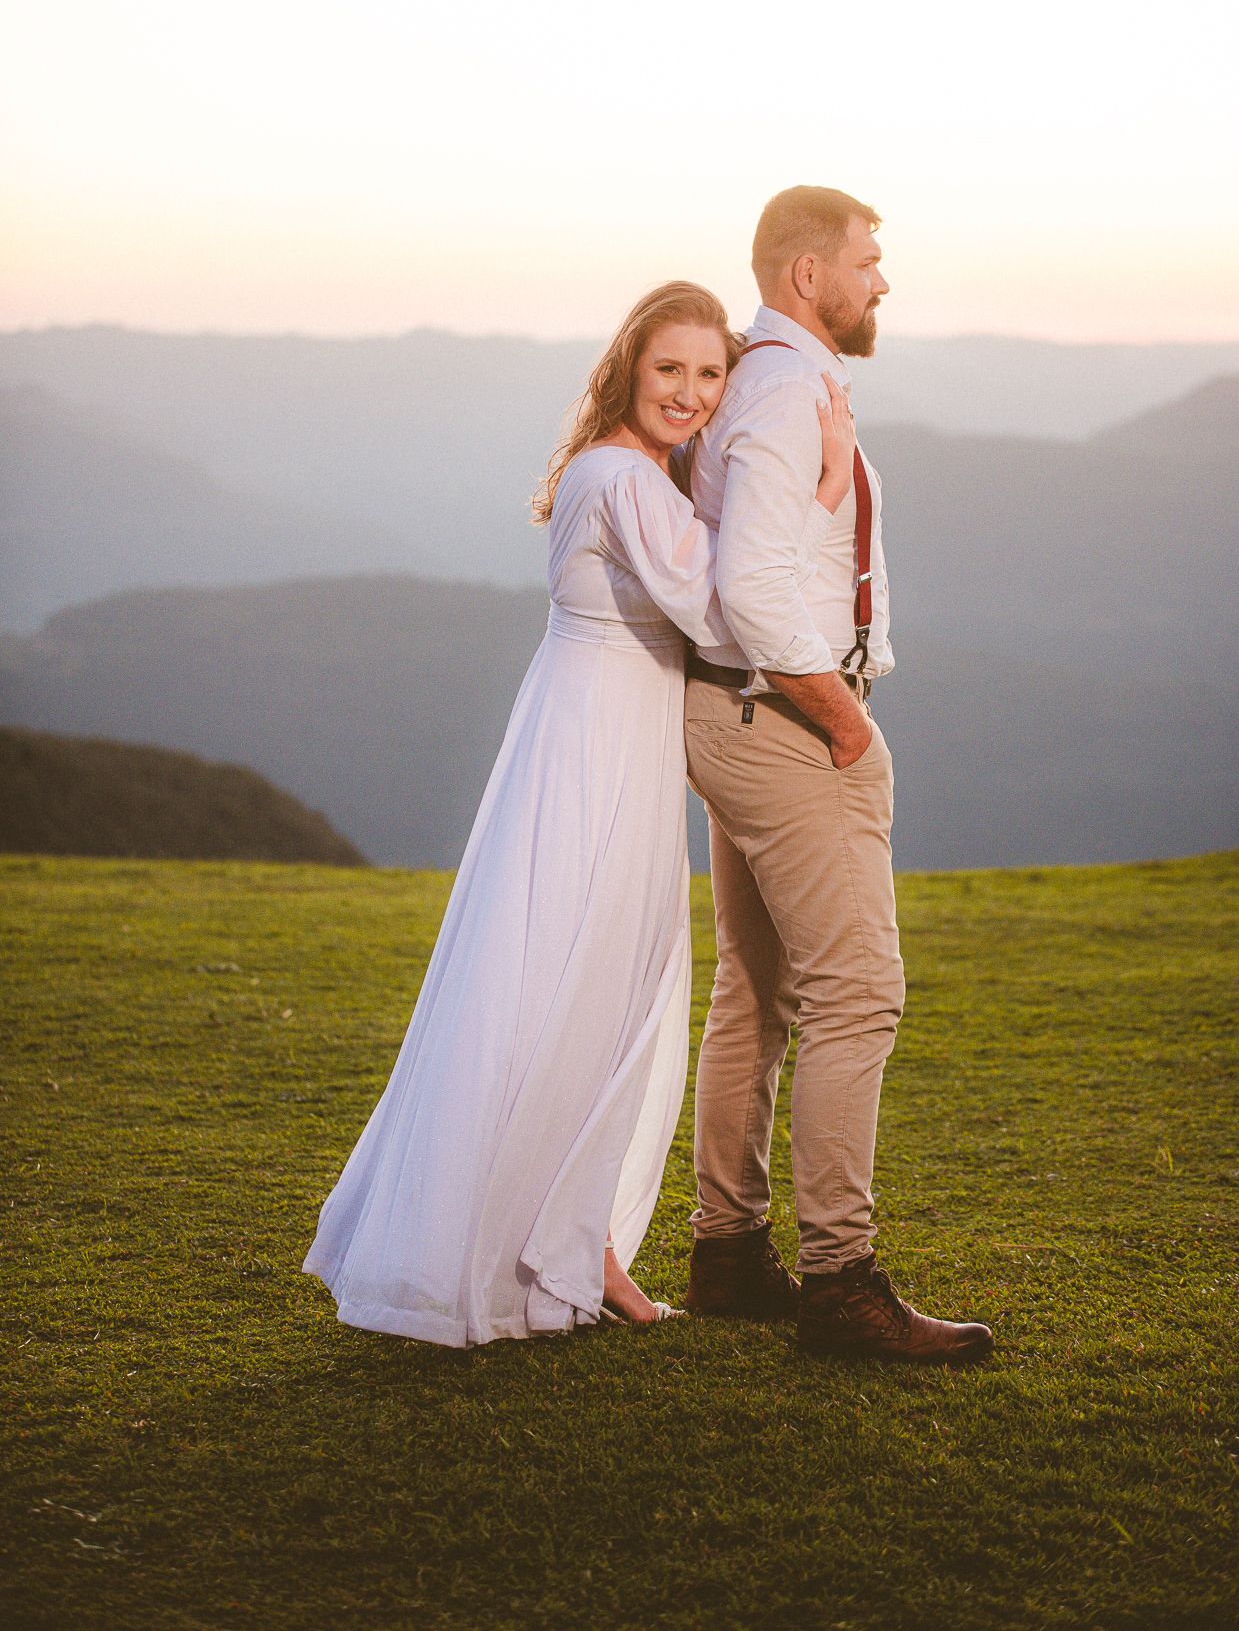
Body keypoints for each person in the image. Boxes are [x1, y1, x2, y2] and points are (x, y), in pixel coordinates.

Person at [303, 280, 852, 1347]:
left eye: (710, 375)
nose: (690, 394)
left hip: (595, 733)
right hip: (595, 750)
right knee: (578, 987)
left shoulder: (629, 469)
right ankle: (564, 1249)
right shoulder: (620, 476)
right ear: (628, 368)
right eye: (670, 370)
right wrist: (825, 476)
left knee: (590, 991)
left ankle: (574, 1242)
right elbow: (728, 604)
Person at [683, 187, 995, 1364]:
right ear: (807, 274)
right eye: (869, 261)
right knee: (856, 996)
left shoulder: (773, 379)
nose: (881, 282)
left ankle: (725, 1254)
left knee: (755, 994)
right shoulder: (771, 391)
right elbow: (754, 590)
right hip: (785, 722)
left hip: (735, 717)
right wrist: (844, 725)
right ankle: (838, 1285)